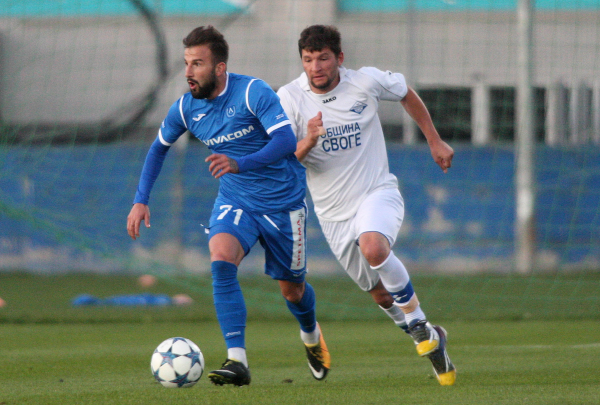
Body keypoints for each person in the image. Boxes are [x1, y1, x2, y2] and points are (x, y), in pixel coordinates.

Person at [126, 26, 330, 386]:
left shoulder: (252, 92)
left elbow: (285, 140)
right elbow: (158, 149)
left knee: (293, 291)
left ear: (219, 68)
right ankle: (237, 361)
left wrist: (240, 163)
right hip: (236, 199)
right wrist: (140, 200)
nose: (188, 72)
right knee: (220, 260)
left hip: (283, 203)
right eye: (187, 63)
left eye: (197, 64)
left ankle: (311, 333)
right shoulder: (186, 108)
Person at [277, 25, 456, 386]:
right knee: (380, 293)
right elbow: (283, 160)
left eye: (323, 58)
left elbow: (406, 93)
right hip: (333, 214)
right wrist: (309, 139)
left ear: (339, 58)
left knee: (373, 247)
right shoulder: (289, 98)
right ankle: (432, 338)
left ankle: (419, 324)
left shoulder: (365, 81)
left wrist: (434, 140)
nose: (315, 67)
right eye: (308, 60)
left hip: (376, 192)